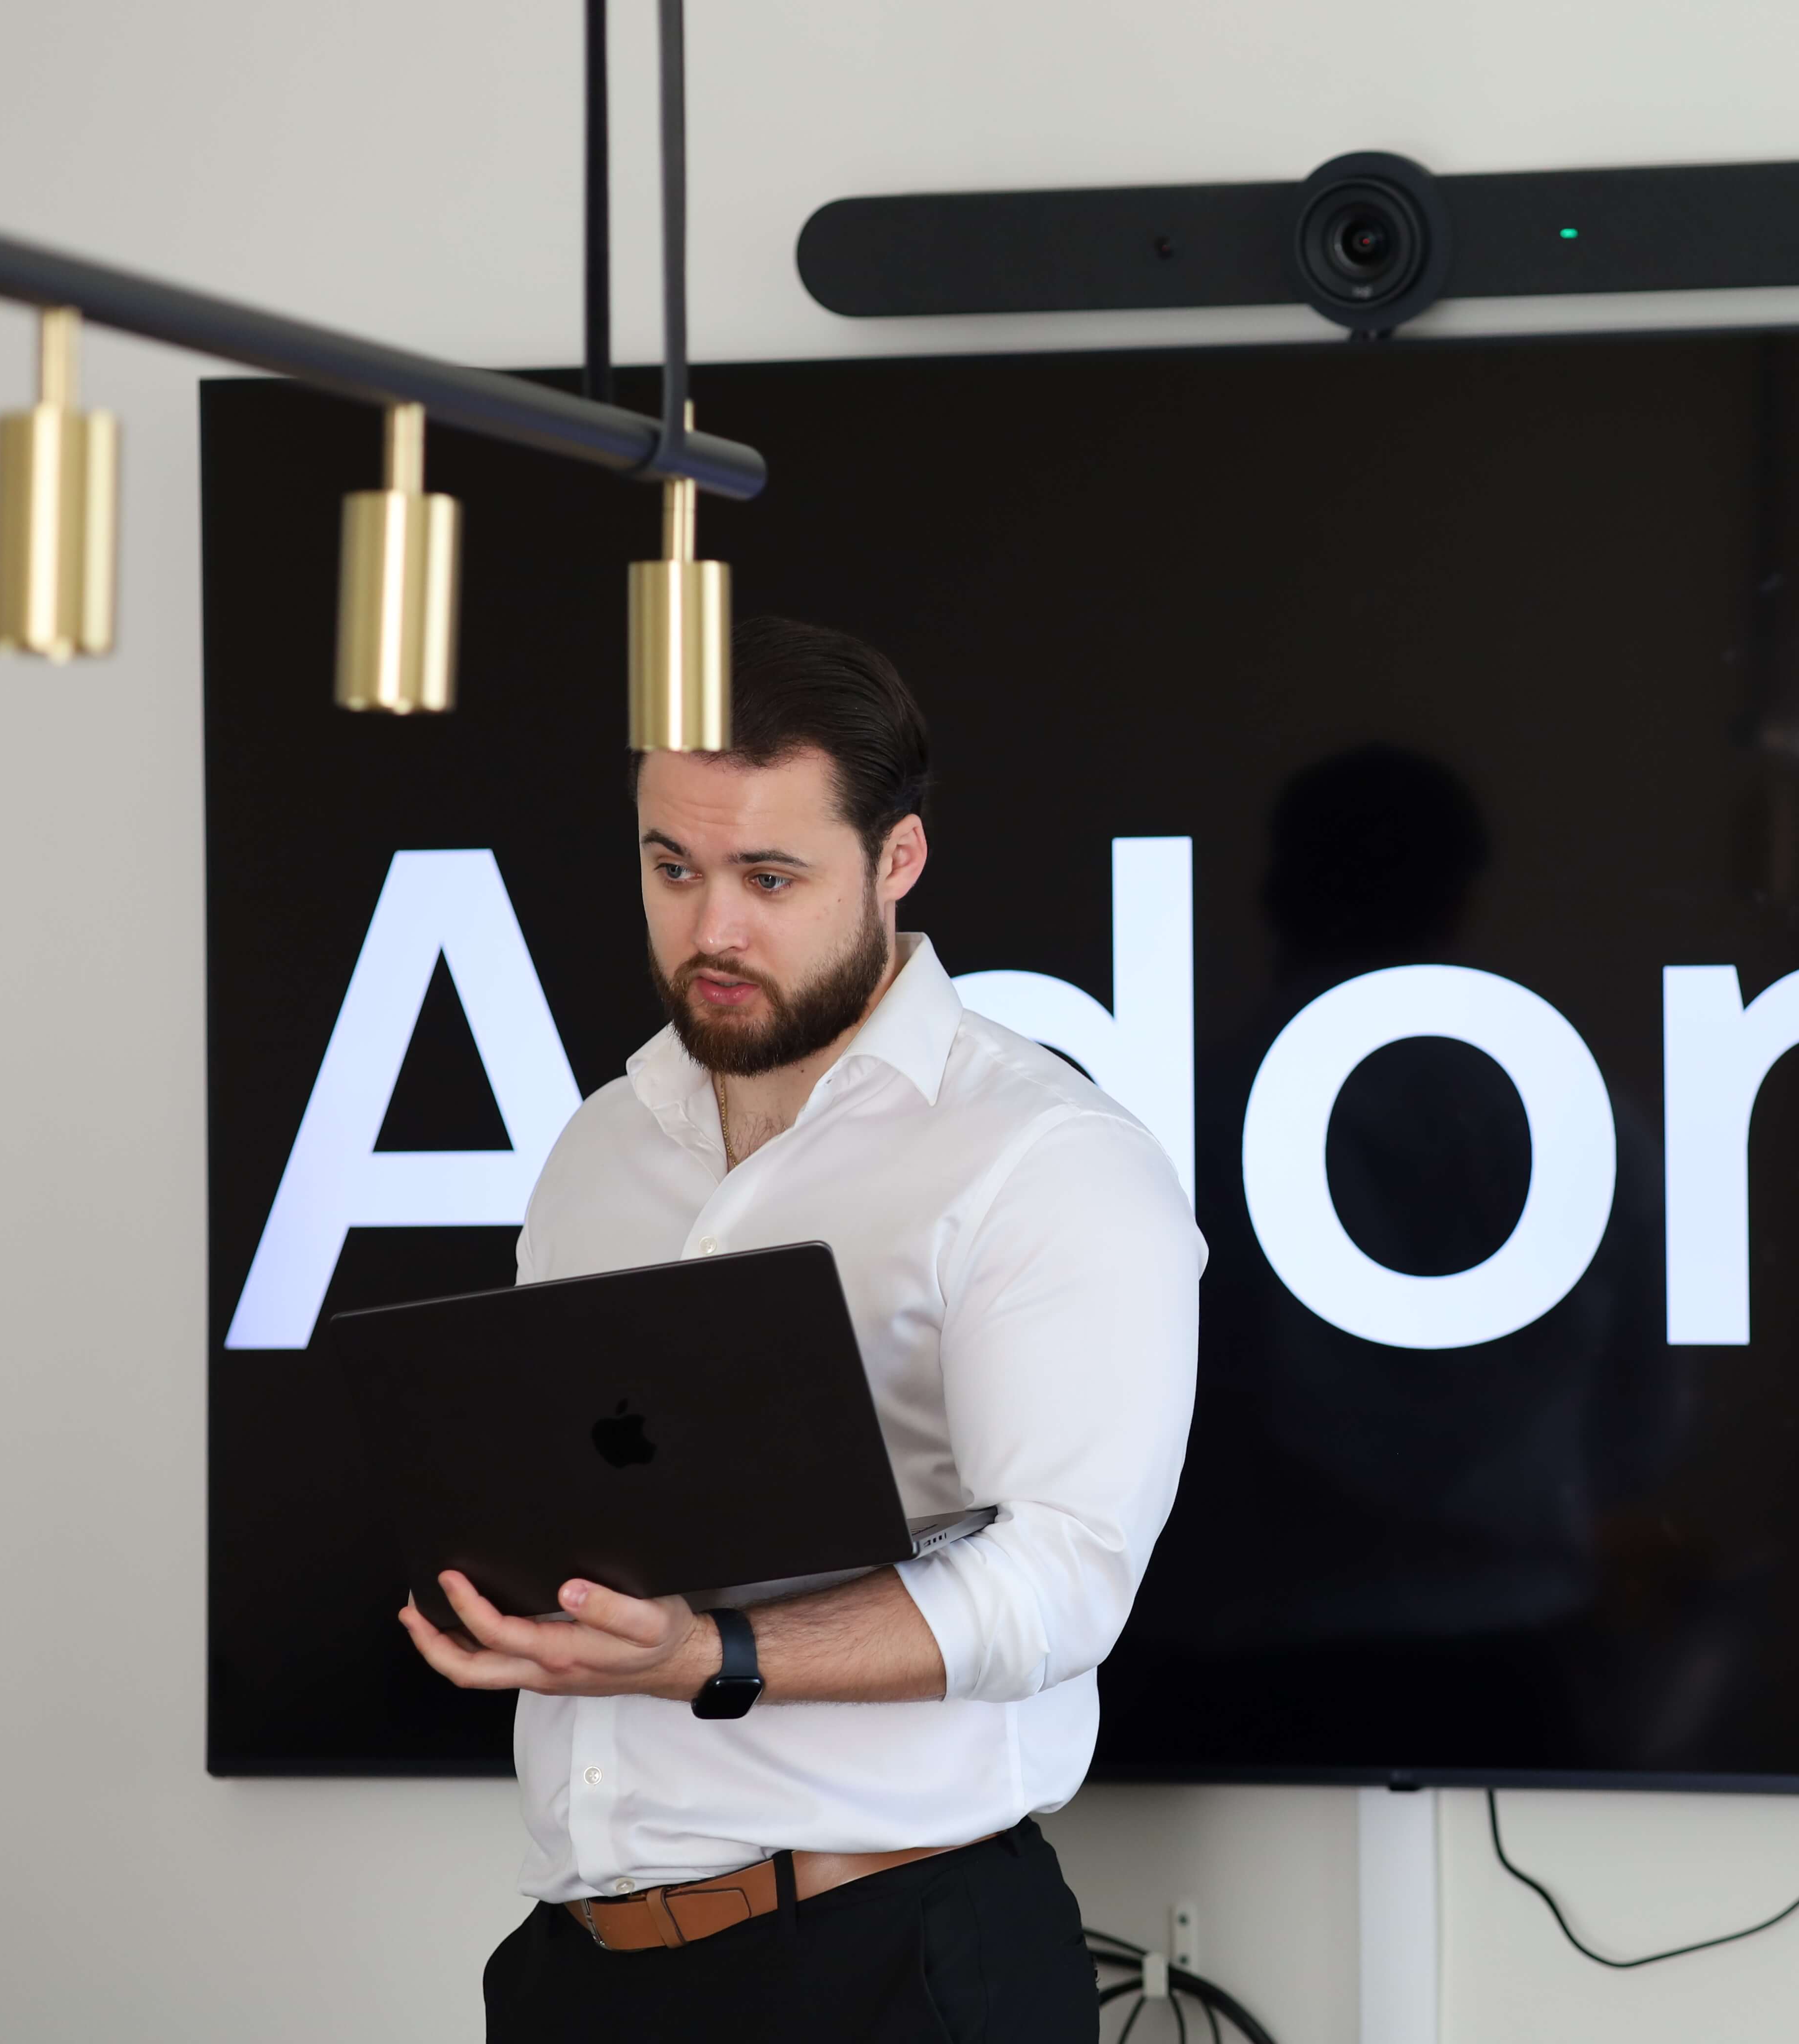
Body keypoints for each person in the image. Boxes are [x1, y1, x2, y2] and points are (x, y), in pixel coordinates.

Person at [397, 617, 1204, 2042]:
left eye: (771, 878)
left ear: (898, 861)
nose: (713, 929)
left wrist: (710, 1653)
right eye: (673, 869)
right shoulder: (599, 1148)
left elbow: (1063, 1583)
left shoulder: (1045, 1156)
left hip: (891, 1971)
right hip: (575, 1970)